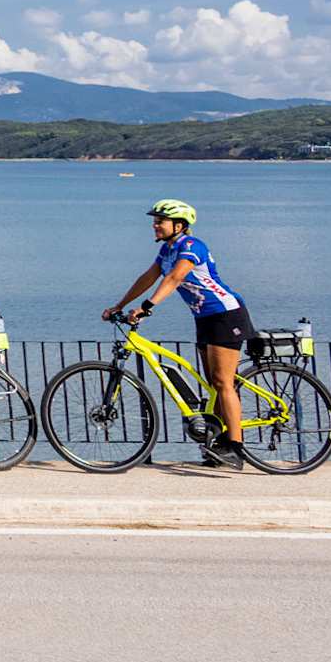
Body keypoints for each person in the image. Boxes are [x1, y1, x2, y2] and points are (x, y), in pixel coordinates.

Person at [104, 198, 252, 469]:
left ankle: (235, 447)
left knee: (222, 382)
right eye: (155, 221)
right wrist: (120, 305)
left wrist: (147, 307)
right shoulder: (167, 251)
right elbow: (147, 278)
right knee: (212, 384)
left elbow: (175, 278)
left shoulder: (192, 246)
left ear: (179, 225)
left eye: (160, 221)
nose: (155, 225)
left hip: (226, 314)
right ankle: (216, 445)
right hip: (204, 318)